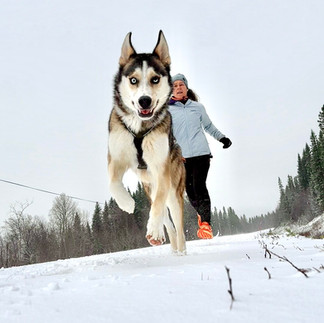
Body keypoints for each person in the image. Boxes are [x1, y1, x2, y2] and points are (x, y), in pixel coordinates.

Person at [168, 73, 232, 239]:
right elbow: (166, 135)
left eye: (181, 84)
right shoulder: (167, 110)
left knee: (199, 186)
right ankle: (201, 214)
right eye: (175, 86)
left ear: (187, 88)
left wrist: (222, 138)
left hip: (202, 154)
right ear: (171, 90)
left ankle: (205, 225)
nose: (178, 87)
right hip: (182, 158)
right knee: (190, 190)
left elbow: (209, 126)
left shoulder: (197, 107)